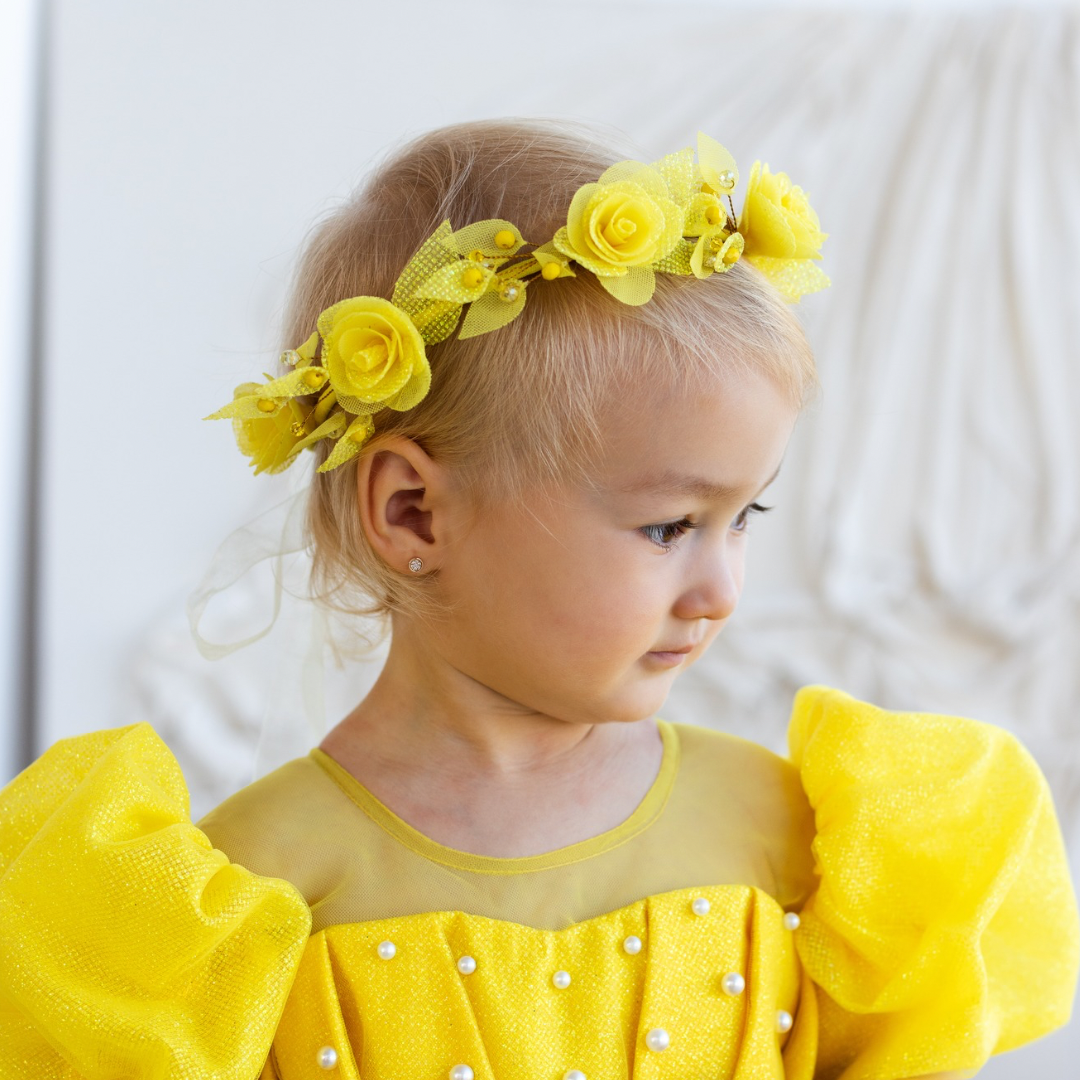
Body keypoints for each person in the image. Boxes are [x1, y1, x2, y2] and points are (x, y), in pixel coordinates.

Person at [1, 118, 1076, 1080]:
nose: (721, 589)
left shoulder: (803, 845)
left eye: (745, 517)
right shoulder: (237, 910)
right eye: (669, 527)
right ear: (415, 514)